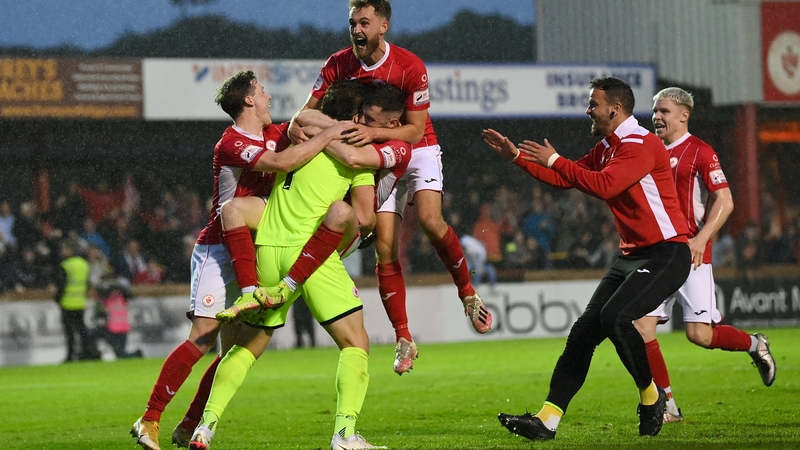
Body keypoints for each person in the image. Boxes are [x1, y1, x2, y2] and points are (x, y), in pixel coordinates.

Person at [130, 70, 351, 450]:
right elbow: (282, 165)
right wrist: (333, 134)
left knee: (231, 352)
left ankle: (188, 426)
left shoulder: (271, 133)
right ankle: (149, 419)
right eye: (263, 92)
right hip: (219, 250)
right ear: (249, 100)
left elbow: (303, 118)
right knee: (202, 338)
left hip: (255, 250)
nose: (268, 97)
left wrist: (341, 123)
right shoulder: (232, 142)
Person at [483, 76, 692, 440]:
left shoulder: (641, 143)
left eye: (593, 104)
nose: (588, 110)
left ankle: (651, 396)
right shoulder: (610, 146)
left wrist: (556, 159)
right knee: (582, 334)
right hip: (632, 256)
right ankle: (547, 420)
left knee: (616, 317)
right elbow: (567, 179)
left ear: (615, 108)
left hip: (667, 253)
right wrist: (517, 158)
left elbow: (604, 185)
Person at [289, 0, 492, 358]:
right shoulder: (337, 64)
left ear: (383, 26)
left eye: (364, 22)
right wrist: (307, 132)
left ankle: (467, 292)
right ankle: (404, 338)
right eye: (353, 23)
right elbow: (304, 114)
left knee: (430, 220)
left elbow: (414, 131)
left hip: (416, 146)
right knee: (385, 247)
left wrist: (366, 135)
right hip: (373, 151)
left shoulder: (410, 66)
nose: (356, 30)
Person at [189, 77, 384, 450]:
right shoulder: (356, 154)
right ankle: (345, 434)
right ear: (356, 117)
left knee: (247, 347)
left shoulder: (297, 134)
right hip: (311, 253)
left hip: (268, 248)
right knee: (355, 341)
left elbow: (300, 120)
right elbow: (363, 216)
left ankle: (205, 427)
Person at [217, 81, 417, 374]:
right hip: (305, 231)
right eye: (360, 119)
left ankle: (401, 333)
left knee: (344, 214)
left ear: (393, 123)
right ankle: (253, 293)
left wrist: (320, 136)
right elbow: (304, 116)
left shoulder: (396, 147)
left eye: (370, 122)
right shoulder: (344, 131)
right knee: (243, 344)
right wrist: (324, 130)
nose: (363, 127)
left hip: (351, 230)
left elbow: (353, 167)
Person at [633, 87, 777, 423]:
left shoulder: (700, 151)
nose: (657, 116)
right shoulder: (648, 151)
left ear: (684, 115)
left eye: (664, 111)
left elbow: (725, 201)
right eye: (655, 111)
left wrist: (701, 238)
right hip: (657, 255)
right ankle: (667, 406)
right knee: (643, 327)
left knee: (700, 335)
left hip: (691, 255)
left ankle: (755, 344)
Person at [54, 240, 93, 363]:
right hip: (80, 302)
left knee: (70, 332)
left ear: (70, 250)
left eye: (64, 249)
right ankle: (87, 353)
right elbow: (87, 284)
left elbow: (61, 285)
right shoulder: (84, 264)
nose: (62, 252)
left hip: (67, 303)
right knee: (82, 330)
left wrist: (57, 299)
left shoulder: (65, 265)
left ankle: (71, 355)